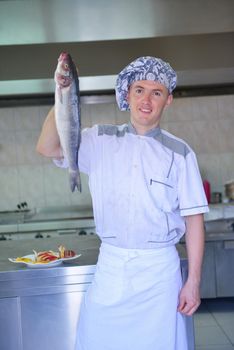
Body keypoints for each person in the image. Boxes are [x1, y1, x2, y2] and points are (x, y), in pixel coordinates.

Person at [36, 56, 209, 350]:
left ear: (168, 100)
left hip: (159, 275)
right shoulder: (100, 140)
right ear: (127, 95)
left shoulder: (181, 154)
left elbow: (194, 221)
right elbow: (47, 147)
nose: (146, 100)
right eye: (139, 89)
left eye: (157, 92)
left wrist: (192, 282)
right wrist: (63, 95)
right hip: (112, 270)